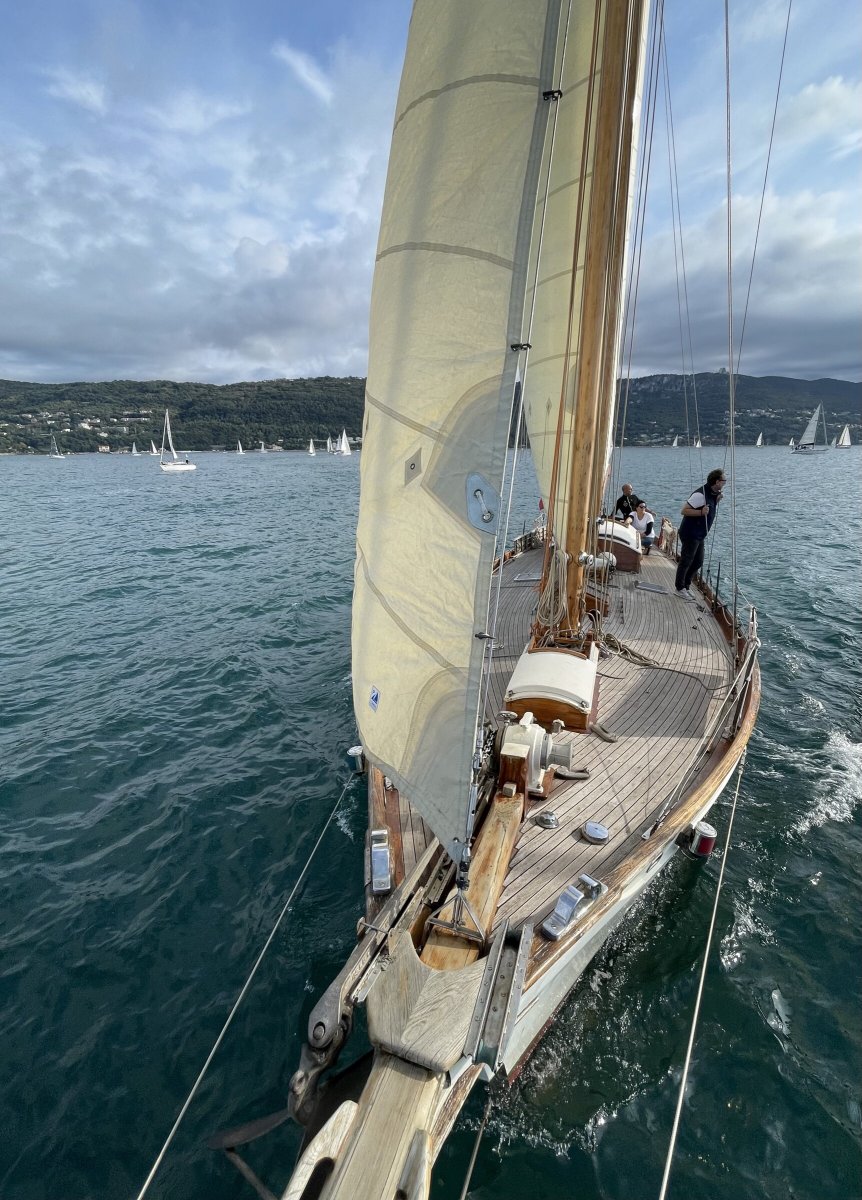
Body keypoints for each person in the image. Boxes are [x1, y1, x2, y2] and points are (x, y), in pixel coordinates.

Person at [675, 468, 726, 597]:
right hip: (690, 533)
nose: (725, 483)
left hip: (700, 534)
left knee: (698, 562)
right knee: (687, 560)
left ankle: (686, 585)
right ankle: (679, 588)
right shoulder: (700, 494)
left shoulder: (713, 494)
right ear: (717, 481)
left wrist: (717, 500)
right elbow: (684, 511)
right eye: (723, 481)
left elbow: (709, 507)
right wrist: (700, 512)